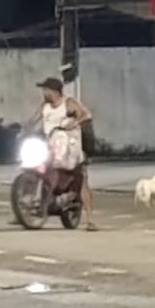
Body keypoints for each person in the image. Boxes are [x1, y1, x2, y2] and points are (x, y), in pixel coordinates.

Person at [30, 77, 97, 231]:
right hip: (52, 147)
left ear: (54, 91)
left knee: (82, 181)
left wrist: (74, 122)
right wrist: (24, 129)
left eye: (45, 89)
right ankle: (26, 209)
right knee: (36, 168)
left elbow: (85, 115)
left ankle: (91, 220)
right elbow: (35, 119)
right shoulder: (45, 106)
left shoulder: (68, 103)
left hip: (70, 148)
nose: (43, 92)